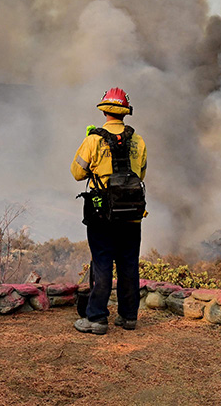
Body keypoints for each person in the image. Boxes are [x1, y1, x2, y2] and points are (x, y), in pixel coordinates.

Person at [71, 87, 147, 335]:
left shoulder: (93, 139)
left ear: (104, 110)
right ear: (126, 112)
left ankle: (96, 319)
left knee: (102, 263)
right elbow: (141, 174)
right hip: (132, 215)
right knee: (128, 265)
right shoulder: (138, 141)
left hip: (102, 215)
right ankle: (128, 317)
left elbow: (77, 173)